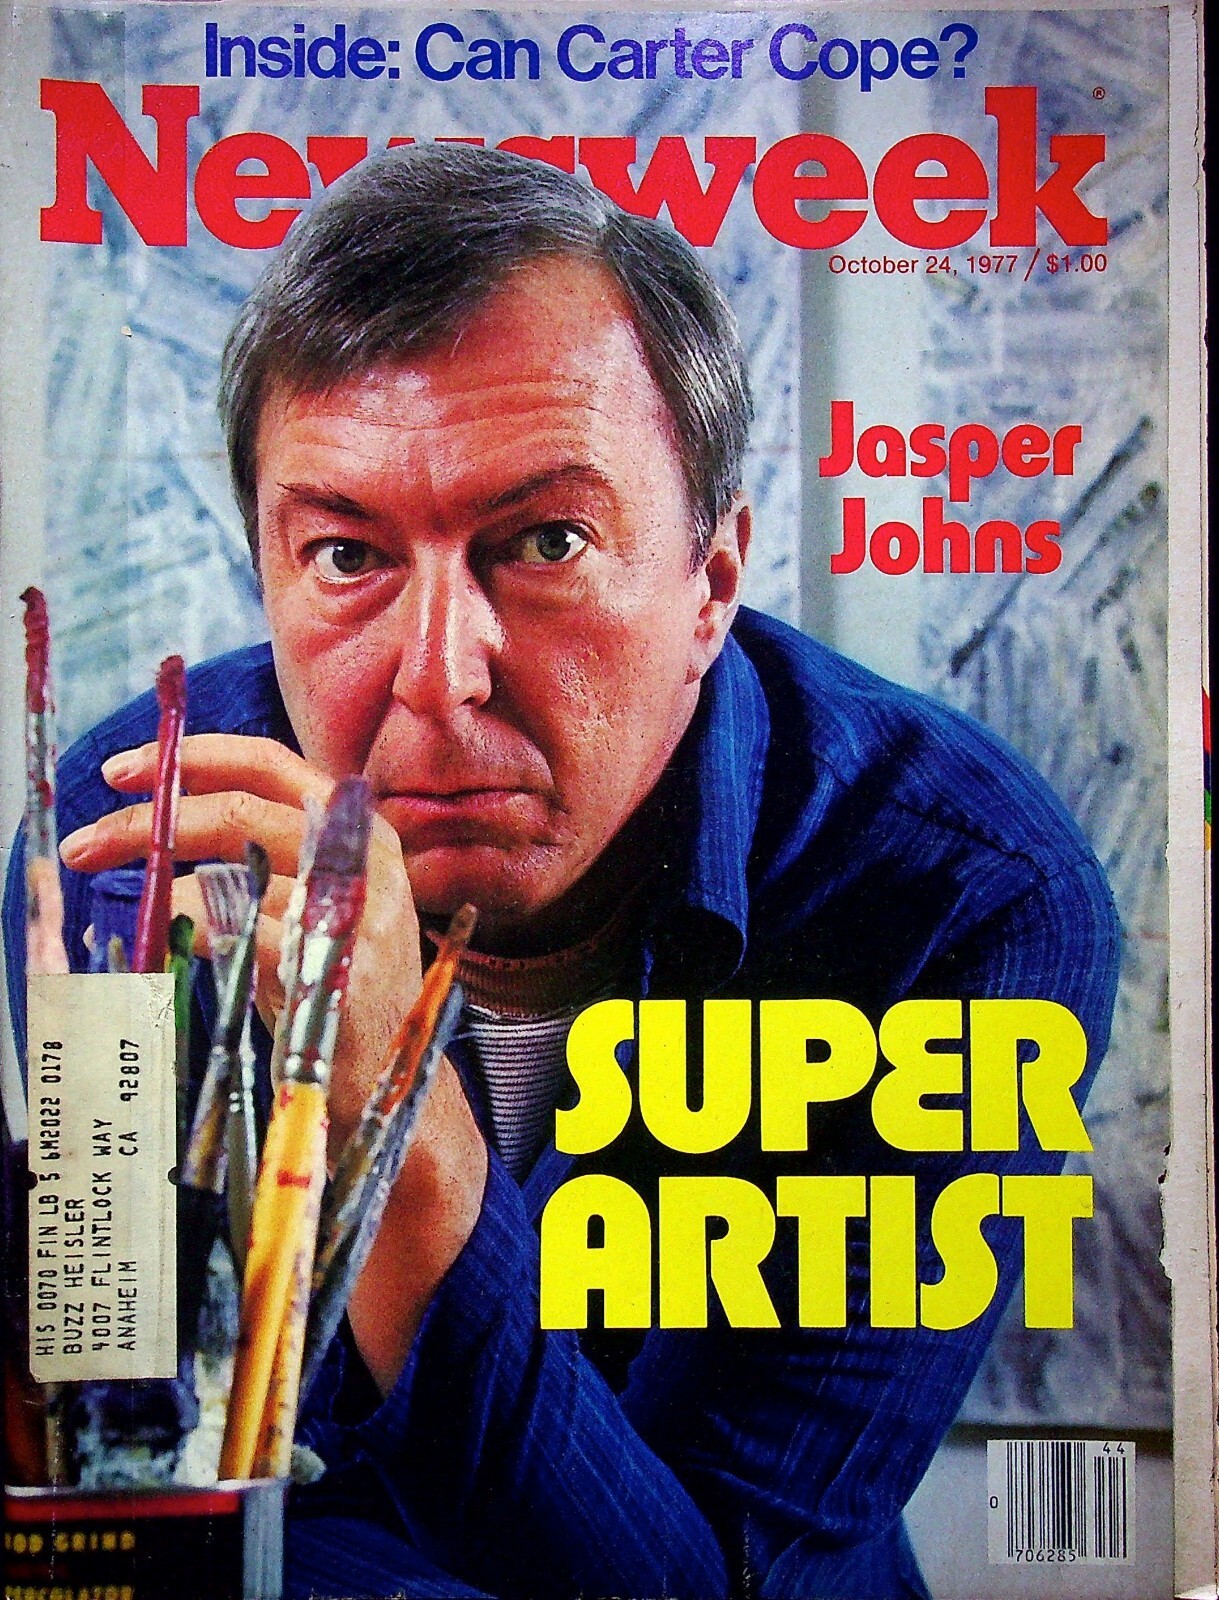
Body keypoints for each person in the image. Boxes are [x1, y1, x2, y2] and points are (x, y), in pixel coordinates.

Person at [4, 145, 1120, 1600]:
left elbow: (727, 1578)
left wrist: (395, 1119)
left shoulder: (962, 897)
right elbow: (147, 1481)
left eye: (544, 541)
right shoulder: (122, 857)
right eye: (343, 555)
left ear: (712, 581)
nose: (437, 676)